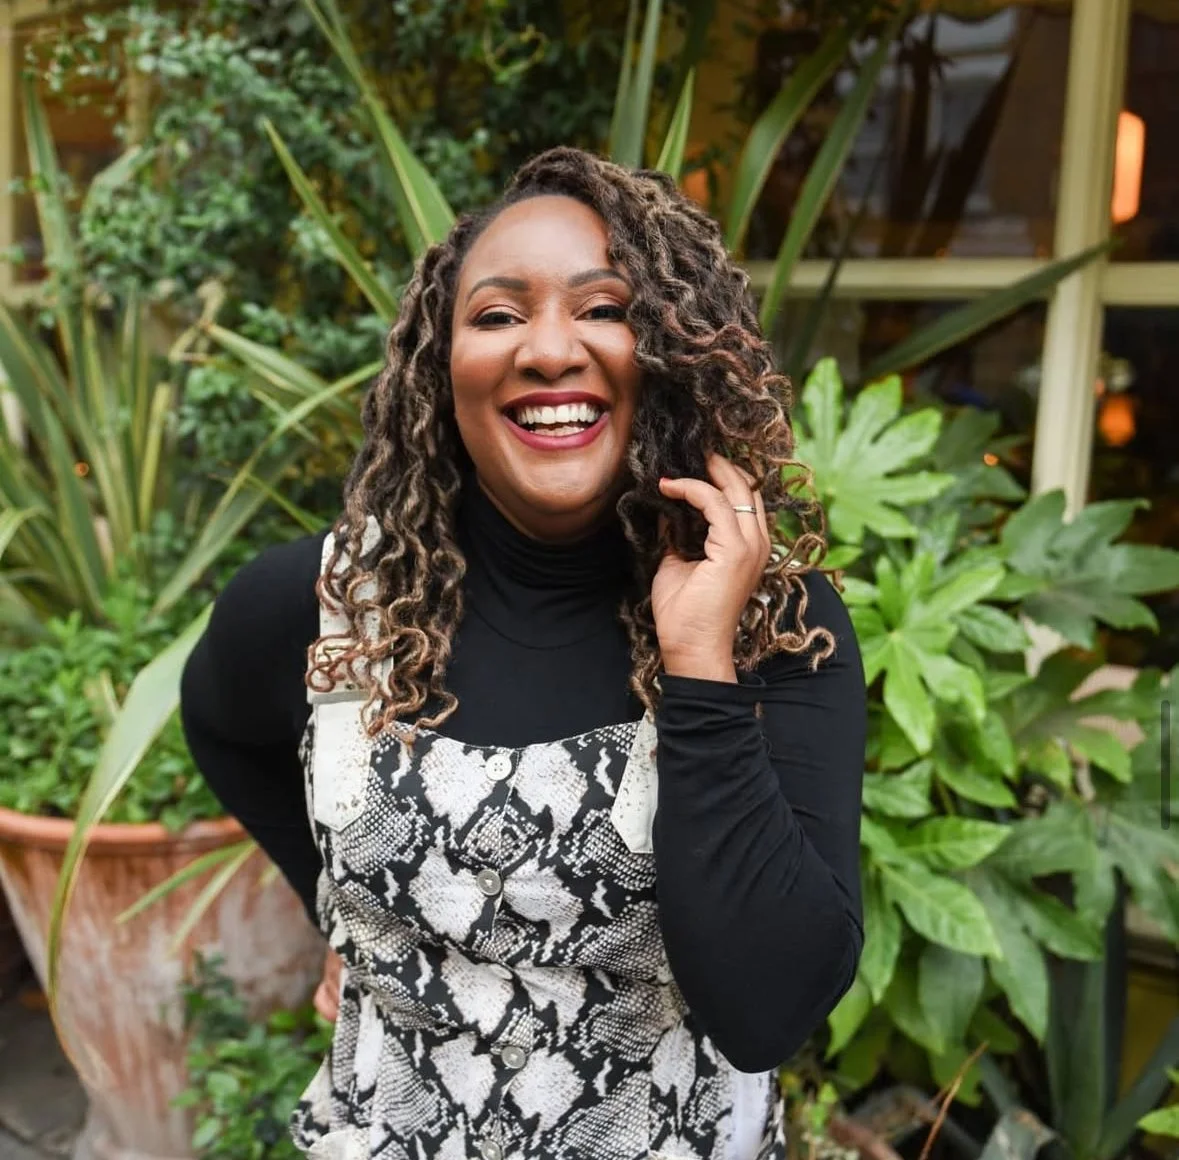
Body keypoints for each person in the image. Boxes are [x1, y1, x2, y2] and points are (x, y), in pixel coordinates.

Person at [180, 146, 866, 1160]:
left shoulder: (775, 624)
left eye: (603, 307)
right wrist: (346, 918)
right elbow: (224, 725)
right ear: (438, 364)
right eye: (498, 314)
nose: (549, 350)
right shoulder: (328, 604)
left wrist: (699, 664)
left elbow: (768, 1008)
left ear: (673, 349)